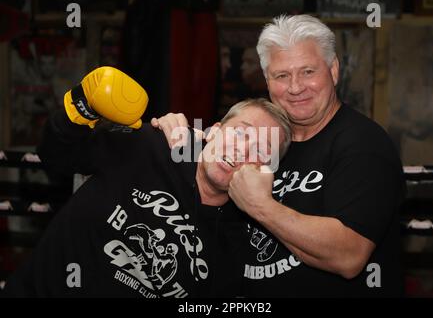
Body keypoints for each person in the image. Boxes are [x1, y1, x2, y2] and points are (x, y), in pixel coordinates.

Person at [152, 15, 406, 297]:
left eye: (308, 72)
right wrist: (167, 131)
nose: (295, 87)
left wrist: (261, 206)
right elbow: (195, 177)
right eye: (282, 75)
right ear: (267, 80)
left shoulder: (363, 145)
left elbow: (349, 256)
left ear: (333, 71)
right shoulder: (260, 139)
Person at [3, 67, 291, 298]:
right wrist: (82, 105)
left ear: (264, 172)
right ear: (213, 131)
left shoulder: (235, 245)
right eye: (241, 133)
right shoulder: (152, 145)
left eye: (261, 151)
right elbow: (55, 154)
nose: (242, 150)